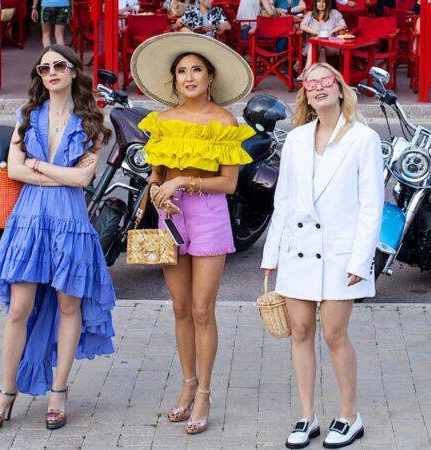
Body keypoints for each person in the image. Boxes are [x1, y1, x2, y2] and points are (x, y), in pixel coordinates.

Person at [0, 45, 116, 432]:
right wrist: (57, 173)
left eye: (59, 65)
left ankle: (59, 392)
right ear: (39, 76)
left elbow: (83, 178)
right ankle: (6, 391)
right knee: (18, 309)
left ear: (73, 71)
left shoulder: (92, 121)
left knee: (69, 306)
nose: (52, 72)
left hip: (70, 221)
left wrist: (37, 166)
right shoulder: (26, 116)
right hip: (29, 220)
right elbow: (15, 170)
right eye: (44, 68)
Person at [130, 32, 255, 435]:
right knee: (180, 308)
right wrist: (158, 190)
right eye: (182, 71)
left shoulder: (224, 122)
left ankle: (204, 392)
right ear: (174, 79)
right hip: (170, 216)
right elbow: (155, 175)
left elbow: (229, 184)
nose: (188, 77)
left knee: (203, 309)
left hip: (209, 215)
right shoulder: (162, 122)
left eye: (196, 70)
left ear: (209, 76)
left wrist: (183, 181)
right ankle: (186, 383)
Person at [260, 62, 383, 450]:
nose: (318, 87)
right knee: (299, 331)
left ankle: (349, 415)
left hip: (340, 254)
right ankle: (306, 415)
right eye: (310, 84)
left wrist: (360, 260)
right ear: (306, 96)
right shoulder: (296, 139)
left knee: (333, 333)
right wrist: (271, 253)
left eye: (326, 80)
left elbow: (371, 206)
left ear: (340, 89)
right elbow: (283, 201)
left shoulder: (363, 138)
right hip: (297, 250)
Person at [299, 0, 347, 71]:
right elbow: (302, 26)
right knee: (321, 51)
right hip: (312, 46)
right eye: (318, 1)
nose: (321, 4)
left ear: (327, 3)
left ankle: (306, 70)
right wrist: (317, 32)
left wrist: (332, 31)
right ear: (316, 3)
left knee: (317, 42)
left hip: (330, 45)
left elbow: (343, 25)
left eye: (323, 1)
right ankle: (322, 74)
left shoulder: (334, 13)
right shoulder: (310, 15)